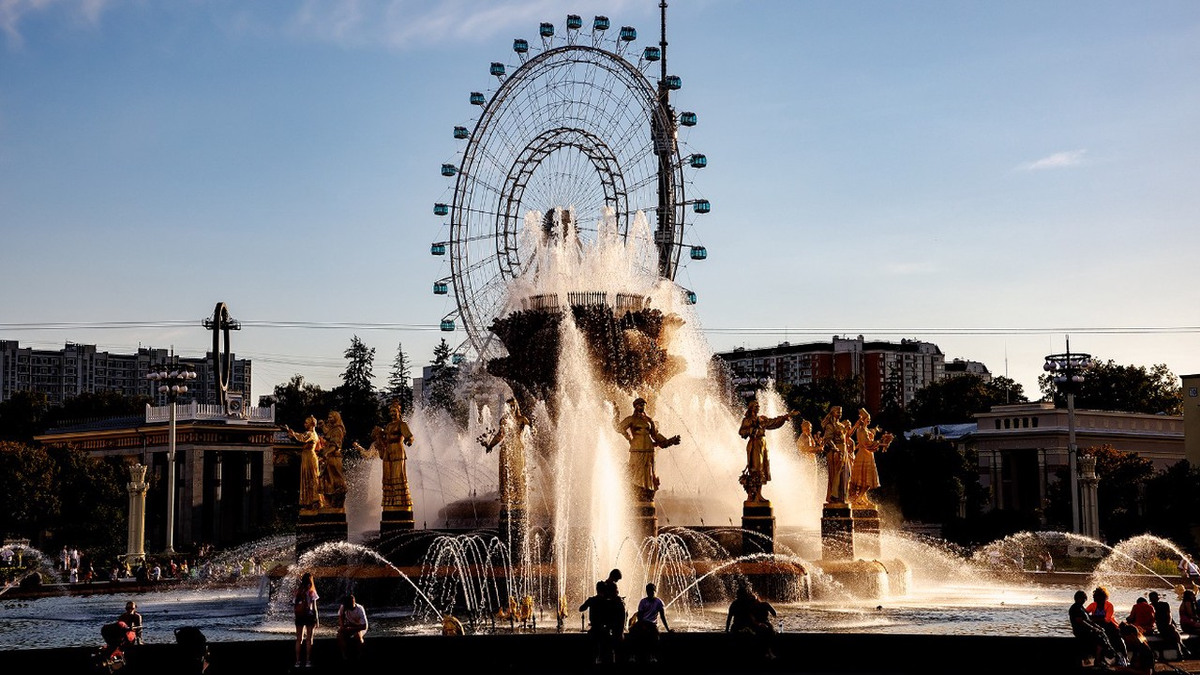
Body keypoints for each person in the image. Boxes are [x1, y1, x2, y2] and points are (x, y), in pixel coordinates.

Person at [617, 398, 680, 501]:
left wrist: (669, 441)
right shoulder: (631, 419)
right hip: (637, 449)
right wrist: (628, 438)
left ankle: (646, 491)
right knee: (635, 470)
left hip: (649, 449)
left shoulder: (649, 420)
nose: (642, 407)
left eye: (643, 405)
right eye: (640, 405)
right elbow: (619, 428)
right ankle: (636, 492)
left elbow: (655, 435)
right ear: (635, 406)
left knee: (649, 472)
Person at [480, 398, 532, 510]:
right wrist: (490, 445)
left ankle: (519, 497)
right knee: (506, 474)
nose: (512, 408)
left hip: (518, 450)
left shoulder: (523, 420)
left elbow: (531, 432)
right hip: (506, 450)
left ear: (517, 407)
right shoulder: (504, 420)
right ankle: (507, 497)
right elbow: (500, 435)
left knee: (518, 473)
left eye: (514, 406)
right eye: (509, 406)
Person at [849, 408, 889, 507]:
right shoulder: (861, 430)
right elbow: (867, 443)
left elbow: (870, 439)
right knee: (867, 480)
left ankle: (862, 498)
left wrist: (879, 437)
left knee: (865, 479)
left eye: (869, 418)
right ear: (864, 420)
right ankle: (859, 498)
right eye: (868, 419)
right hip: (864, 455)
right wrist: (881, 443)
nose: (869, 420)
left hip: (866, 455)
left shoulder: (865, 430)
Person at [283, 417, 323, 511]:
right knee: (308, 478)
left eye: (306, 423)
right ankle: (309, 502)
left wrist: (291, 432)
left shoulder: (311, 434)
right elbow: (300, 439)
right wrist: (290, 432)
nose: (304, 424)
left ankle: (314, 501)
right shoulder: (313, 434)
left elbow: (302, 438)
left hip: (309, 458)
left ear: (312, 424)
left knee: (311, 478)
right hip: (307, 457)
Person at [1070, 589, 1116, 664]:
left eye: (1085, 599)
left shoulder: (1082, 608)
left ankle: (1104, 657)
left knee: (1103, 636)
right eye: (1084, 598)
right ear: (1078, 598)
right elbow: (1080, 621)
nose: (1085, 600)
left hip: (1087, 630)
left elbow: (1089, 620)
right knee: (1100, 639)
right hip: (1081, 631)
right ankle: (1097, 660)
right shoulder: (1075, 608)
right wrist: (1093, 628)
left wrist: (1098, 627)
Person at [1087, 586, 1129, 666]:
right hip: (1098, 627)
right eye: (1094, 596)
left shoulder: (1109, 605)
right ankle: (1099, 659)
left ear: (1102, 597)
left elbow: (1107, 620)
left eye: (1095, 596)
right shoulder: (1093, 605)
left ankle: (1125, 656)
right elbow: (1085, 615)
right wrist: (1094, 619)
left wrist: (1092, 618)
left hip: (1110, 626)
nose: (1093, 597)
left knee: (1119, 639)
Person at [630, 582, 671, 663]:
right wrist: (642, 625)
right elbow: (640, 616)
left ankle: (653, 655)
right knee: (633, 633)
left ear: (655, 591)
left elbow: (663, 617)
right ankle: (633, 655)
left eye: (652, 591)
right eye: (648, 591)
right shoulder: (643, 602)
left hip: (652, 624)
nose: (650, 593)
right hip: (642, 622)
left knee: (655, 637)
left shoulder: (659, 602)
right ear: (646, 592)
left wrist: (668, 629)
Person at [819, 407, 852, 505]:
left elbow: (847, 437)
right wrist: (836, 449)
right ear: (833, 413)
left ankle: (843, 497)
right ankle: (834, 496)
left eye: (841, 412)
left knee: (847, 474)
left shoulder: (841, 425)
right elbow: (828, 439)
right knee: (836, 474)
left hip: (844, 450)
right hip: (835, 452)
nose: (840, 414)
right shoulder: (830, 426)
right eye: (838, 412)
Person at [580, 581, 618, 664]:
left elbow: (581, 608)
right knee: (606, 653)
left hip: (595, 629)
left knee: (593, 652)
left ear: (596, 589)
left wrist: (588, 603)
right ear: (605, 590)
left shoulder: (592, 600)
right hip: (605, 630)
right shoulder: (608, 601)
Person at [317, 411, 347, 509]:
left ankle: (337, 503)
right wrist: (322, 426)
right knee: (327, 481)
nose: (329, 419)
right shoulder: (332, 429)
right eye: (328, 417)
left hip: (334, 458)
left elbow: (336, 445)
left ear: (336, 418)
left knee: (336, 480)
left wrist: (327, 452)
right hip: (328, 459)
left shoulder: (338, 430)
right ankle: (329, 504)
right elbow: (327, 433)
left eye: (331, 418)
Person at [1148, 591, 1187, 659]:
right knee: (1173, 631)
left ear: (1158, 598)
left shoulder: (1164, 604)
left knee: (1172, 630)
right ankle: (1181, 648)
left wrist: (1169, 623)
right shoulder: (1150, 607)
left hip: (1167, 624)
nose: (1153, 599)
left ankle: (1180, 648)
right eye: (1152, 598)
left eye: (1154, 597)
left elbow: (1169, 615)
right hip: (1162, 625)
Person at [292, 571, 319, 668]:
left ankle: (297, 661)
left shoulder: (297, 591)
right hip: (309, 616)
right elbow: (314, 607)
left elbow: (294, 604)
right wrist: (316, 619)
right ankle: (308, 661)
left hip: (299, 616)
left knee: (299, 639)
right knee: (309, 639)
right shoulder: (312, 591)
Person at [337, 594, 368, 661]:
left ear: (352, 603)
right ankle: (344, 655)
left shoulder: (359, 609)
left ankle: (360, 655)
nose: (345, 607)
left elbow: (364, 626)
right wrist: (342, 626)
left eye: (347, 605)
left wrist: (351, 629)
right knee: (339, 635)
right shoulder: (343, 606)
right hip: (350, 625)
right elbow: (340, 615)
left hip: (360, 627)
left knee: (358, 636)